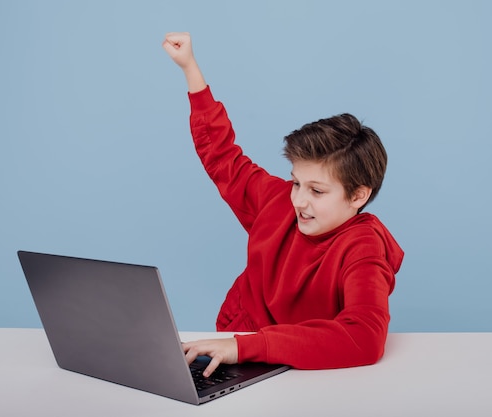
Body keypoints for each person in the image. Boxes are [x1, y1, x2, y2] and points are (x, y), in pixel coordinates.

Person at [162, 32, 404, 378]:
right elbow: (221, 155)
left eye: (317, 191)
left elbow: (364, 337)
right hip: (237, 347)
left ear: (358, 196)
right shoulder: (277, 201)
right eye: (296, 182)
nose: (299, 201)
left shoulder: (364, 248)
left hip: (295, 366)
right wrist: (190, 69)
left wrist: (248, 346)